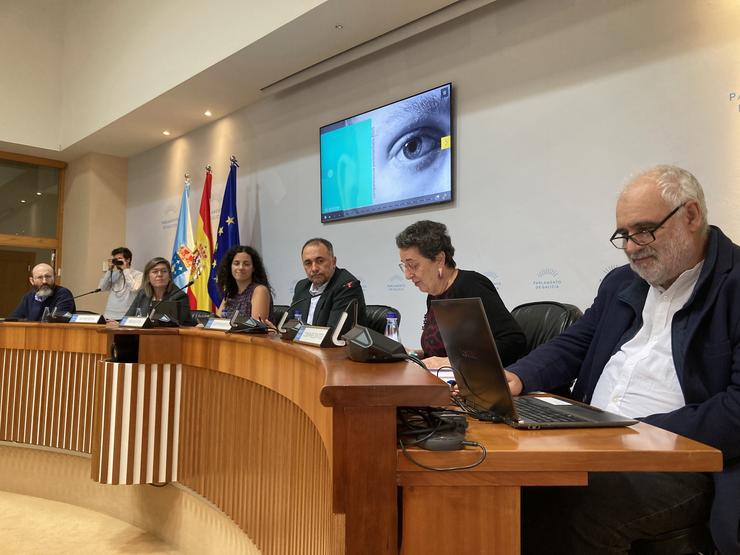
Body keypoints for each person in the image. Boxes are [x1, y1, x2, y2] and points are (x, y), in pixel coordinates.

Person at [505, 166, 740, 555]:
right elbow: (575, 344)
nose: (631, 247)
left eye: (644, 230)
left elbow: (735, 409)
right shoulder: (621, 282)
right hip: (594, 438)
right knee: (506, 479)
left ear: (692, 215)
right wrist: (515, 376)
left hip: (681, 460)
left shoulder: (733, 285)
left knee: (573, 506)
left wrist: (631, 432)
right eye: (623, 235)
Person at [396, 220, 526, 368]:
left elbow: (513, 342)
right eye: (404, 266)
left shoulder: (471, 285)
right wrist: (415, 355)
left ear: (439, 260)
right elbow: (443, 352)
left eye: (413, 265)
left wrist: (449, 362)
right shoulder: (433, 295)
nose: (407, 275)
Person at [290, 238, 366, 335]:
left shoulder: (347, 286)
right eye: (308, 263)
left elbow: (333, 333)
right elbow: (289, 324)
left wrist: (299, 332)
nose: (314, 268)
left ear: (333, 262)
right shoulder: (302, 286)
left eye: (320, 261)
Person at [215, 245, 273, 321]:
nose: (241, 267)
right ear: (230, 267)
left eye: (246, 264)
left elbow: (256, 328)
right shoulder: (230, 293)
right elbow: (217, 322)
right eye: (236, 263)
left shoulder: (259, 290)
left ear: (254, 268)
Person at [124, 257, 191, 323]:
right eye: (155, 271)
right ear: (148, 277)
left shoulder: (179, 296)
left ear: (170, 276)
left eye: (164, 271)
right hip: (143, 333)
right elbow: (127, 318)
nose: (159, 274)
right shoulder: (143, 294)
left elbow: (181, 325)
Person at [10, 263, 75, 320]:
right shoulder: (28, 297)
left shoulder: (63, 294)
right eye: (40, 277)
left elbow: (58, 321)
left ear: (55, 278)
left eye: (48, 276)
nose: (44, 281)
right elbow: (14, 319)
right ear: (32, 281)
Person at [98, 247, 142, 320]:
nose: (117, 261)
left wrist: (125, 270)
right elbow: (101, 288)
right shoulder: (114, 275)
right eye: (115, 259)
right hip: (109, 315)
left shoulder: (138, 275)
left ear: (128, 260)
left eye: (119, 258)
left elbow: (134, 288)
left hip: (126, 315)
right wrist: (109, 270)